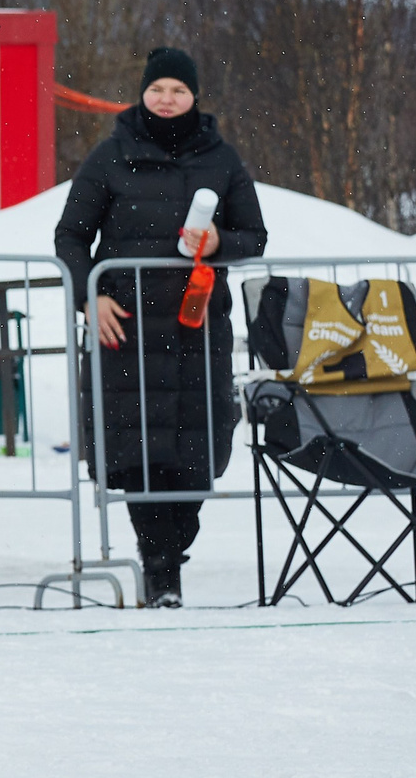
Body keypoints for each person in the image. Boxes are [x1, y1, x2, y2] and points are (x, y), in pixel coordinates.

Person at [53, 45, 265, 609]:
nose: (166, 99)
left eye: (178, 90)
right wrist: (90, 294)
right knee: (139, 459)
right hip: (126, 335)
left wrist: (221, 241)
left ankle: (171, 552)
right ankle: (161, 572)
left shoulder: (222, 160)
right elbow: (71, 237)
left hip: (197, 333)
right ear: (142, 94)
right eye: (157, 90)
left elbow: (255, 236)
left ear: (194, 96)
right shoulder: (109, 156)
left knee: (193, 461)